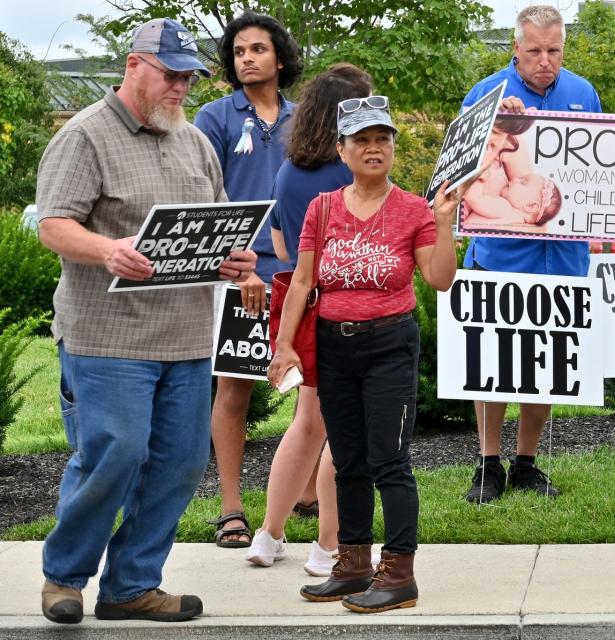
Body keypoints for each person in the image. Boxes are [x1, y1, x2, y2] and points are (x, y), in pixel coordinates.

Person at [35, 18, 257, 624]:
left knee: (182, 463)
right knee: (115, 452)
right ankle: (65, 577)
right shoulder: (84, 137)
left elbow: (214, 227)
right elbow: (53, 224)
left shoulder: (195, 142)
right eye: (171, 74)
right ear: (134, 65)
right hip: (106, 337)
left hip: (185, 338)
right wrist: (108, 249)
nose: (182, 87)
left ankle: (132, 584)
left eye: (189, 76)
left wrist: (236, 261)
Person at [267, 96, 462, 613]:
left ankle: (399, 573)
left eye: (382, 139)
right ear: (342, 149)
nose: (373, 148)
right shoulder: (322, 207)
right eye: (362, 140)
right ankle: (352, 564)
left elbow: (440, 280)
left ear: (394, 147)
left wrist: (444, 224)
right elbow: (304, 280)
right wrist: (284, 344)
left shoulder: (414, 209)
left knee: (389, 460)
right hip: (333, 345)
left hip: (389, 344)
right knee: (348, 461)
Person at [459, 4, 615, 504]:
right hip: (500, 253)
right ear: (515, 48)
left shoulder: (583, 93)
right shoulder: (486, 95)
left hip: (564, 257)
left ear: (563, 48)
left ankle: (526, 463)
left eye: (553, 50)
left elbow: (596, 171)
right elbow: (463, 168)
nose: (544, 60)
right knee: (492, 364)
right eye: (534, 50)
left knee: (546, 362)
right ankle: (487, 464)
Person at [244, 63, 378, 576]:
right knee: (346, 430)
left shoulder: (287, 170)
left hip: (301, 305)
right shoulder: (351, 174)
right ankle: (328, 546)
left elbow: (279, 246)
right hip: (349, 307)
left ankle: (268, 534)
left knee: (306, 423)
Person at [193, 11, 305, 548]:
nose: (246, 59)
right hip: (238, 273)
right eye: (238, 52)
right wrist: (239, 268)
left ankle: (304, 490)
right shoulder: (212, 118)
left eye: (257, 49)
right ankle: (232, 508)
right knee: (234, 388)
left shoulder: (306, 119)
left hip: (300, 273)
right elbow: (202, 198)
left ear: (279, 59)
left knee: (313, 386)